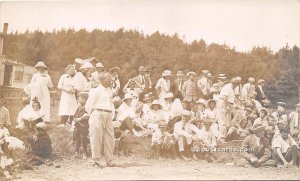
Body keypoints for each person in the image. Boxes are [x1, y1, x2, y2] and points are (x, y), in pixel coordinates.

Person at [85, 72, 116, 167]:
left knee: (110, 138)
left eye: (111, 78)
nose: (111, 79)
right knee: (96, 137)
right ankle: (96, 160)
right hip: (98, 113)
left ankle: (109, 160)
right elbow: (88, 105)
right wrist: (93, 116)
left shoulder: (110, 90)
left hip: (108, 114)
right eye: (108, 78)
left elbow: (111, 103)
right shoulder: (96, 90)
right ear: (102, 80)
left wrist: (112, 114)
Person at [216, 78, 238, 142]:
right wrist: (227, 106)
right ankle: (221, 138)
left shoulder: (230, 88)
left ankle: (224, 137)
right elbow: (224, 97)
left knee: (226, 122)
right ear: (234, 84)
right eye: (236, 85)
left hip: (226, 104)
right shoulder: (227, 87)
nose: (236, 86)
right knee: (222, 121)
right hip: (223, 103)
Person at [73, 92, 90, 159]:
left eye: (79, 99)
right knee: (77, 139)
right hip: (77, 126)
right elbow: (75, 115)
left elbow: (88, 116)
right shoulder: (79, 107)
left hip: (84, 126)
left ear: (84, 99)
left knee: (84, 139)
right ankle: (76, 152)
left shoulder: (87, 107)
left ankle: (85, 153)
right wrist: (75, 119)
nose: (78, 100)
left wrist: (80, 119)